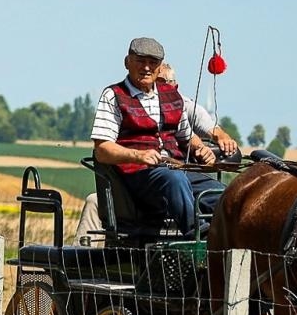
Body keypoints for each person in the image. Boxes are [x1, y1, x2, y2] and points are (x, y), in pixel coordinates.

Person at [90, 36, 222, 235]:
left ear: (160, 68)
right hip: (138, 177)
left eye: (152, 62)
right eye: (140, 61)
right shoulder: (113, 96)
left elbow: (187, 137)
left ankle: (231, 237)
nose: (146, 68)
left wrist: (201, 148)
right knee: (174, 180)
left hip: (178, 170)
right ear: (127, 62)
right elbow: (102, 149)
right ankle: (197, 236)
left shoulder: (172, 94)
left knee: (223, 193)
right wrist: (138, 155)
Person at [156, 62, 239, 157]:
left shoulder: (187, 107)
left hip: (178, 161)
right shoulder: (142, 106)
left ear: (175, 86)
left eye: (161, 81)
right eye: (153, 83)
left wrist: (223, 139)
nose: (156, 87)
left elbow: (210, 128)